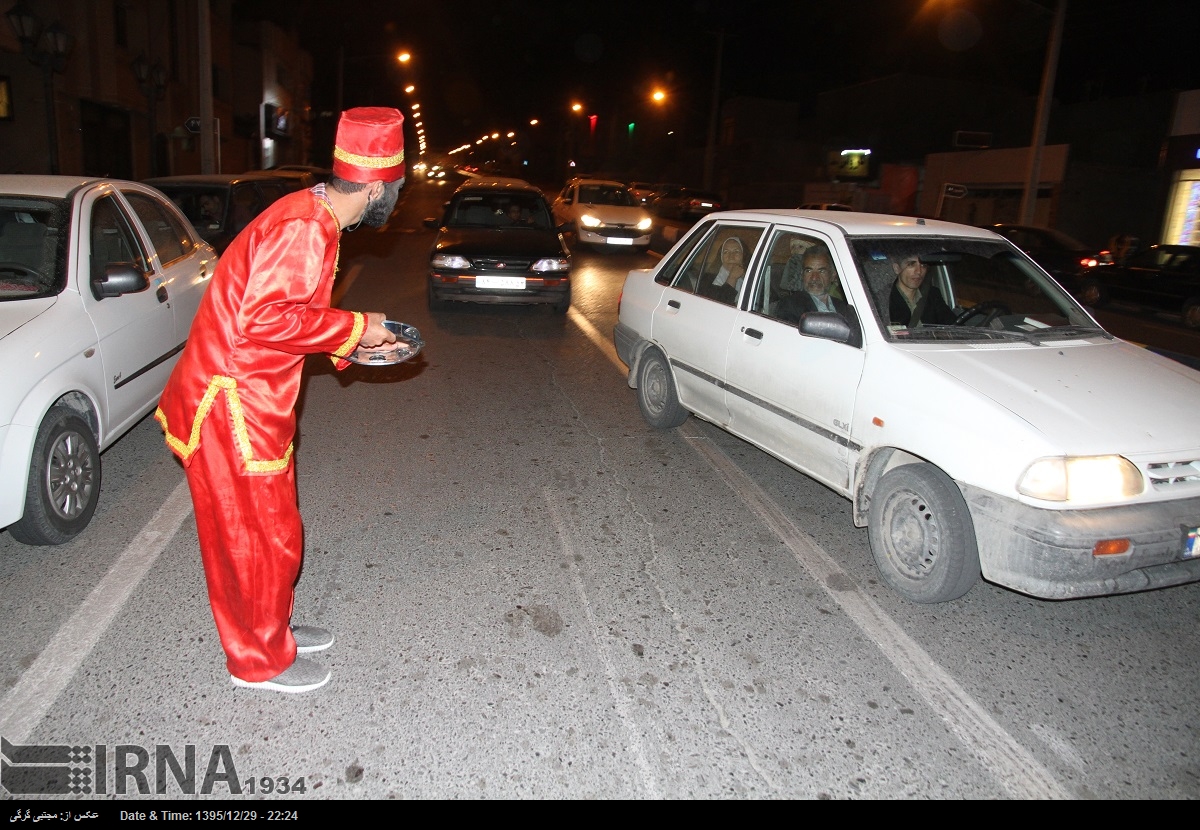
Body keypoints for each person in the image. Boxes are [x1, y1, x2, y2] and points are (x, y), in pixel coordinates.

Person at [155, 107, 407, 694]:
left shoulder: (313, 213)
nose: (395, 196)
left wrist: (353, 344)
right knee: (255, 535)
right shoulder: (306, 227)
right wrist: (357, 327)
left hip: (253, 394)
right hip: (233, 404)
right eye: (394, 188)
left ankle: (273, 626)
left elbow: (293, 315)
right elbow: (268, 317)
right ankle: (258, 660)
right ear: (373, 187)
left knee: (273, 528)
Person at [888, 251, 956, 326]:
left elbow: (952, 324)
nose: (919, 271)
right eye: (911, 264)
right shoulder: (884, 299)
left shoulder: (932, 294)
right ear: (897, 268)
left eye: (923, 265)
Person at [705, 236, 747, 304]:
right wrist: (732, 278)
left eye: (736, 252)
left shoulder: (754, 276)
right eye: (726, 252)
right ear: (721, 256)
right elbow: (721, 305)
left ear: (743, 255)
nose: (731, 257)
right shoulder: (708, 279)